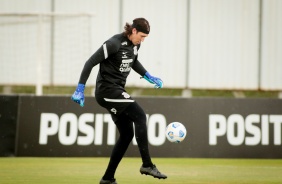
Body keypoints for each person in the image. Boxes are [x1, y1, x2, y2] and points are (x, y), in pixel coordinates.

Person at [71, 17, 167, 184]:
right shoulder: (113, 43)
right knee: (140, 116)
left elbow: (133, 61)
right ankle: (147, 165)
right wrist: (80, 89)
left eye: (145, 38)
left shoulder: (136, 45)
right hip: (107, 91)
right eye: (142, 36)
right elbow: (90, 63)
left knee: (127, 134)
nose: (143, 40)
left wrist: (148, 76)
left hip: (117, 90)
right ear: (134, 30)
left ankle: (107, 178)